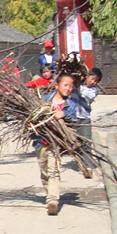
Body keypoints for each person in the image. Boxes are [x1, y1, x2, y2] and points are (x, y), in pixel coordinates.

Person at [33, 72, 79, 215]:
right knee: (44, 171)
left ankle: (53, 199)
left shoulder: (70, 105)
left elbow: (73, 123)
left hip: (56, 143)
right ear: (57, 85)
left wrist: (63, 116)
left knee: (54, 171)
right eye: (65, 85)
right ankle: (49, 195)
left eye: (71, 86)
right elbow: (34, 117)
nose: (68, 88)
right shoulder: (45, 100)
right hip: (41, 141)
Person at [70, 68, 102, 178]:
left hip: (84, 118)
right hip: (73, 118)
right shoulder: (74, 85)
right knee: (76, 143)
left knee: (87, 141)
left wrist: (78, 83)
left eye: (96, 81)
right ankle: (81, 164)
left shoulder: (93, 91)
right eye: (92, 79)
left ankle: (88, 167)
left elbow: (84, 93)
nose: (93, 82)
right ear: (87, 76)